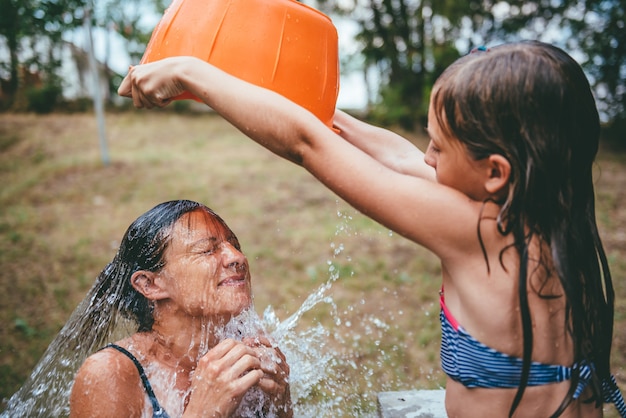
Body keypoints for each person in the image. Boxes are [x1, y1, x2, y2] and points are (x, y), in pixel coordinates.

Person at [117, 41, 625, 417]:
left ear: (495, 171)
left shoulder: (482, 234)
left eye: (439, 147)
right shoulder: (552, 219)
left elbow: (306, 145)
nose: (424, 156)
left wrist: (193, 71)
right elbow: (388, 153)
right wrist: (263, 91)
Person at [69, 200, 292, 418]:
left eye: (235, 245)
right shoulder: (111, 374)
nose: (238, 257)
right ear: (151, 284)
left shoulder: (250, 349)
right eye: (207, 250)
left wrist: (281, 406)